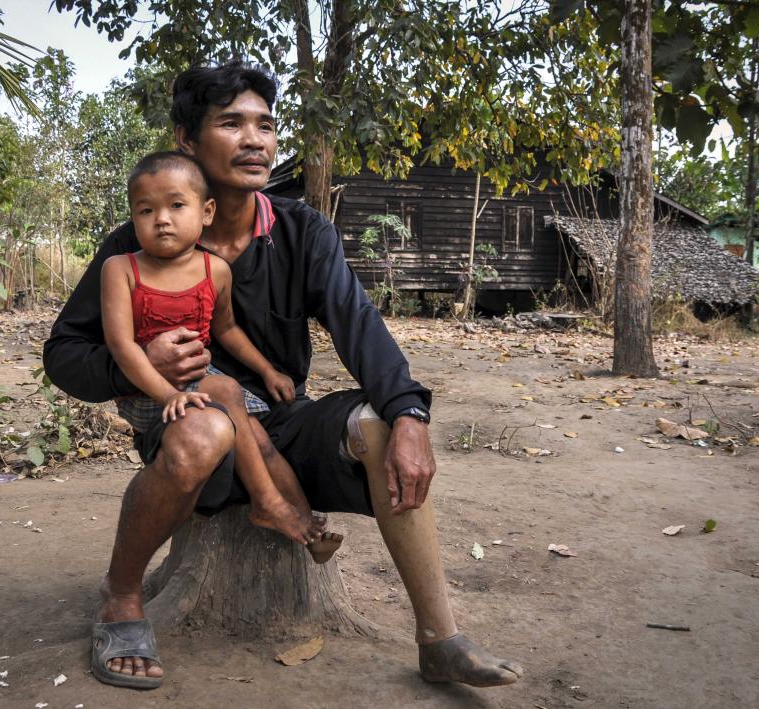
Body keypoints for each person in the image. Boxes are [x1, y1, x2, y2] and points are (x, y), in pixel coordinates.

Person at [44, 61, 524, 691]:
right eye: (232, 123)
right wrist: (138, 363)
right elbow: (63, 355)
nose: (256, 140)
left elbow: (359, 325)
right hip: (187, 433)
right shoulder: (136, 244)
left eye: (266, 126)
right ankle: (122, 599)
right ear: (187, 141)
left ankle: (439, 638)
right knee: (205, 433)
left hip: (281, 430)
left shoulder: (303, 232)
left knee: (379, 423)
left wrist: (410, 413)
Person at [102, 150, 342, 559]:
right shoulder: (121, 269)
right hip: (145, 395)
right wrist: (167, 395)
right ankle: (267, 504)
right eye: (146, 210)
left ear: (206, 211)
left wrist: (268, 371)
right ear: (133, 217)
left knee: (262, 441)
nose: (162, 218)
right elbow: (122, 347)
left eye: (177, 205)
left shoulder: (215, 271)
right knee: (228, 390)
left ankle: (308, 527)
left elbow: (227, 330)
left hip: (200, 383)